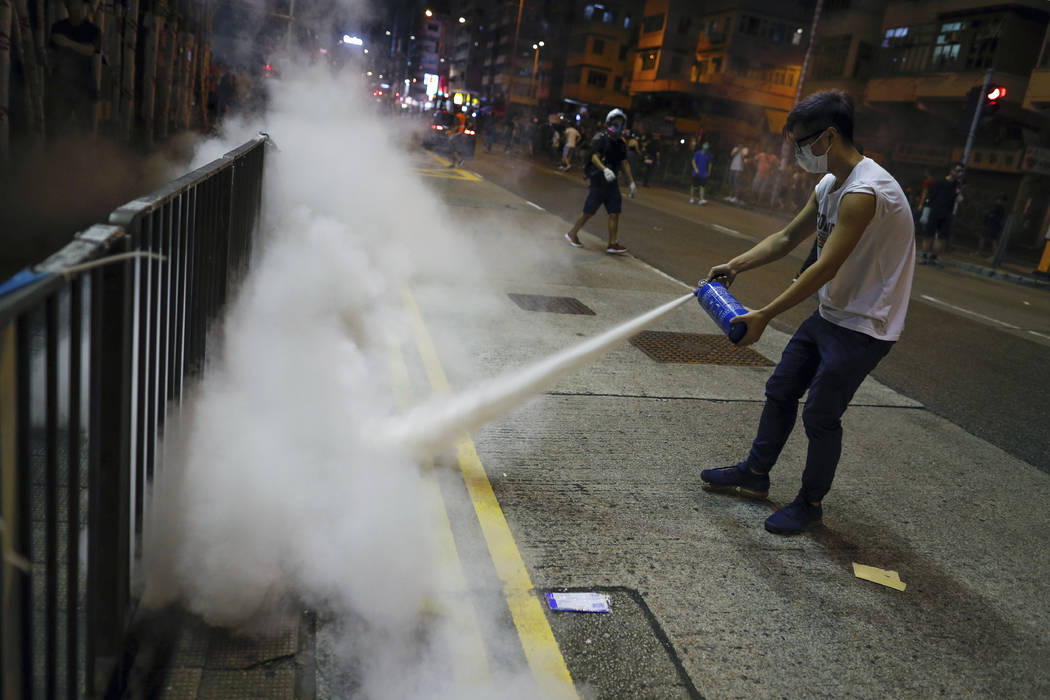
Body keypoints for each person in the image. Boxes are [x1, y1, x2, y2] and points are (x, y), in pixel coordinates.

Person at [699, 90, 915, 535]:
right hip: (833, 312)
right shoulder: (830, 184)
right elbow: (786, 238)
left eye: (802, 143)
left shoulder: (865, 192)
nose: (798, 152)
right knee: (781, 388)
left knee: (820, 413)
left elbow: (825, 266)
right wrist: (735, 265)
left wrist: (764, 314)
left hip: (865, 324)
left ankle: (810, 504)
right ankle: (755, 475)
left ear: (829, 136)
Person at [564, 108, 638, 254]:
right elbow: (594, 157)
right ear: (608, 123)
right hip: (599, 181)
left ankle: (612, 244)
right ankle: (572, 233)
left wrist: (631, 182)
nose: (618, 126)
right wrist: (604, 169)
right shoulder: (601, 138)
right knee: (589, 212)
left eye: (621, 124)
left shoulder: (621, 143)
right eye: (615, 123)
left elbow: (624, 163)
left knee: (615, 212)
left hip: (612, 183)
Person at [48, 0, 102, 136]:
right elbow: (52, 52)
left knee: (86, 130)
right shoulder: (59, 27)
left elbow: (90, 49)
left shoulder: (92, 30)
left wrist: (67, 43)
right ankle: (53, 154)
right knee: (55, 130)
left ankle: (85, 155)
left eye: (77, 3)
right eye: (71, 4)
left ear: (85, 6)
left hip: (84, 86)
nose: (74, 7)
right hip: (61, 86)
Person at [919, 162, 964, 265]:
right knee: (930, 235)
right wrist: (926, 208)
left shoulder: (956, 186)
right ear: (951, 170)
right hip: (936, 211)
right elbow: (929, 196)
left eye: (960, 171)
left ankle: (932, 257)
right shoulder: (942, 183)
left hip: (945, 213)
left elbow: (958, 199)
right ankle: (926, 256)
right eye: (957, 170)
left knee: (940, 237)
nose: (958, 173)